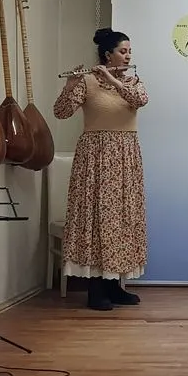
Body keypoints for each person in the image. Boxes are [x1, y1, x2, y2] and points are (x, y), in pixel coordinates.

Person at [53, 27, 149, 311]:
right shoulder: (87, 82)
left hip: (125, 156)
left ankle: (114, 286)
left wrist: (113, 80)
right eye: (122, 51)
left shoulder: (133, 82)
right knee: (97, 217)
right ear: (108, 55)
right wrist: (70, 85)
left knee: (122, 218)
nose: (128, 56)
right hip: (95, 156)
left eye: (129, 51)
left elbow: (140, 100)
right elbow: (61, 112)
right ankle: (96, 289)